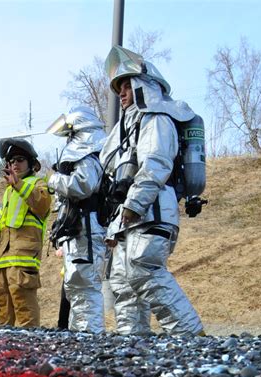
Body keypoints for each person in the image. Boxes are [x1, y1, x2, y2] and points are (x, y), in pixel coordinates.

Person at [100, 46, 204, 336]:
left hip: (152, 210)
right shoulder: (127, 129)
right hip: (132, 216)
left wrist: (133, 206)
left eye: (126, 86)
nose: (121, 94)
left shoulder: (156, 118)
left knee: (145, 272)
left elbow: (155, 165)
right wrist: (115, 226)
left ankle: (191, 338)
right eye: (118, 88)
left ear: (142, 85)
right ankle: (133, 347)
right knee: (123, 284)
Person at [46, 106, 107, 333]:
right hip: (79, 230)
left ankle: (90, 338)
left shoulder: (88, 154)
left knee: (85, 288)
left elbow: (83, 185)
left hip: (87, 231)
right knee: (75, 288)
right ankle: (79, 339)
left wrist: (53, 180)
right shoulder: (87, 153)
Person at [0, 138, 51, 328]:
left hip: (22, 260)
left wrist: (18, 184)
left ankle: (29, 353)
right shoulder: (8, 193)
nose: (14, 164)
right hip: (1, 261)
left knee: (25, 312)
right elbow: (2, 227)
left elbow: (42, 205)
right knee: (3, 313)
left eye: (19, 159)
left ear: (31, 163)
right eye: (11, 161)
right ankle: (6, 354)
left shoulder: (38, 184)